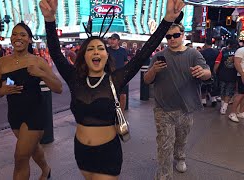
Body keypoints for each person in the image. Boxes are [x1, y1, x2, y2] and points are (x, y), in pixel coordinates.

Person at [40, 0, 185, 179]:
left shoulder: (115, 79)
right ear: (83, 56)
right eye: (90, 49)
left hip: (108, 153)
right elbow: (55, 52)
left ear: (106, 55)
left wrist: (168, 19)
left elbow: (144, 53)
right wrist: (49, 19)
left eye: (100, 48)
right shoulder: (74, 79)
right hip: (81, 152)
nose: (95, 51)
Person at [0, 22, 62, 180]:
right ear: (11, 38)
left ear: (29, 40)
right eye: (15, 34)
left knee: (20, 157)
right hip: (15, 115)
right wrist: (2, 90)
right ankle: (46, 169)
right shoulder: (3, 62)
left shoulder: (37, 62)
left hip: (35, 114)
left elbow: (58, 88)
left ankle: (44, 170)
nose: (18, 38)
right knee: (32, 148)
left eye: (23, 35)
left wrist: (41, 74)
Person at [143, 23, 211, 180]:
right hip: (163, 110)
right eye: (168, 36)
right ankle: (164, 176)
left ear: (182, 35)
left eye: (175, 35)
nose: (172, 39)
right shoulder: (158, 57)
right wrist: (153, 70)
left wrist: (202, 72)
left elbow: (207, 72)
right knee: (164, 145)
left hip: (186, 108)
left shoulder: (193, 54)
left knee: (181, 139)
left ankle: (180, 157)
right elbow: (147, 80)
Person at [214, 39, 239, 115]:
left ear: (229, 44)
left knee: (222, 90)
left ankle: (222, 105)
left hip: (222, 74)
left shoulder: (223, 52)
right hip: (233, 75)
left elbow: (217, 63)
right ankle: (224, 108)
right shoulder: (238, 53)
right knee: (229, 91)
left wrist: (214, 71)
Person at [108, 33, 129, 112]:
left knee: (123, 96)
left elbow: (126, 62)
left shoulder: (123, 51)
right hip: (110, 76)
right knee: (110, 96)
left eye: (114, 39)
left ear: (118, 41)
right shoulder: (107, 50)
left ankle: (122, 114)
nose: (111, 41)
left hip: (121, 76)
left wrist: (127, 76)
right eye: (110, 39)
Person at [200, 40, 219, 107]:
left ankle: (203, 101)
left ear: (206, 44)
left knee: (203, 87)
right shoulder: (216, 52)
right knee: (212, 86)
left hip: (204, 71)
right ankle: (214, 100)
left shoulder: (202, 52)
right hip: (213, 71)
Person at [228, 45, 244, 122]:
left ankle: (241, 112)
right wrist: (242, 74)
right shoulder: (241, 50)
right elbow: (237, 63)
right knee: (240, 94)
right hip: (242, 75)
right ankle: (232, 113)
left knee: (243, 95)